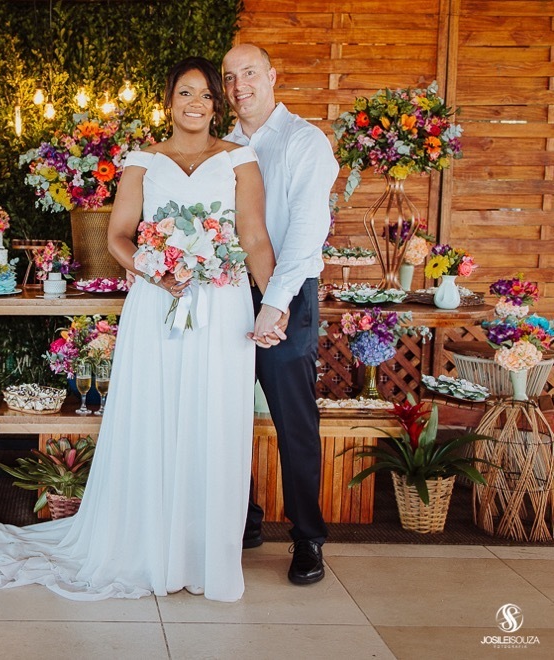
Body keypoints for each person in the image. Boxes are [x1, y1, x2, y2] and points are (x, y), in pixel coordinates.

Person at [0, 56, 277, 602]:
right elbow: (117, 237)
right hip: (156, 306)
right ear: (170, 100)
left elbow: (253, 238)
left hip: (221, 309)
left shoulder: (239, 159)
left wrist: (272, 303)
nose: (197, 103)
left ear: (217, 103)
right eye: (186, 93)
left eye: (207, 94)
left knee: (212, 420)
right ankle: (146, 548)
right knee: (153, 417)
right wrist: (158, 271)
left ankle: (203, 556)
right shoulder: (143, 160)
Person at [221, 43, 339, 585]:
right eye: (229, 77)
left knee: (293, 420)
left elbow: (307, 231)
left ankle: (308, 538)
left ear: (272, 75)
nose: (239, 85)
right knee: (225, 412)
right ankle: (242, 520)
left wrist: (275, 302)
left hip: (288, 294)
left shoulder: (303, 141)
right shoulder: (223, 147)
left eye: (249, 73)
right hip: (226, 296)